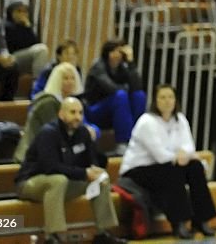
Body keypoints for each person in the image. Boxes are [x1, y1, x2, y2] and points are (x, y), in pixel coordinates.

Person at [15, 97, 124, 244]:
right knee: (58, 180)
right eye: (73, 112)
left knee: (101, 179)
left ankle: (102, 233)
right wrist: (84, 173)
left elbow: (92, 160)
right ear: (61, 114)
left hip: (63, 185)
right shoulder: (48, 133)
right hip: (30, 183)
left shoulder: (83, 133)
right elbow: (51, 167)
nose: (77, 117)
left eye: (80, 113)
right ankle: (53, 236)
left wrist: (95, 169)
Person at [120, 84, 216, 239]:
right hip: (138, 170)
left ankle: (201, 220)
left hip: (167, 165)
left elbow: (189, 146)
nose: (167, 101)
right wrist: (179, 157)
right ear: (155, 101)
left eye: (170, 97)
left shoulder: (180, 119)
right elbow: (159, 155)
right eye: (162, 97)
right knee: (172, 171)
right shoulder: (146, 122)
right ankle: (179, 223)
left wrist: (185, 155)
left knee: (196, 167)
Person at [14, 63, 94, 163]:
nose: (70, 82)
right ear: (57, 80)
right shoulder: (48, 103)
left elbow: (83, 125)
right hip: (33, 157)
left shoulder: (72, 102)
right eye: (65, 78)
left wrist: (91, 131)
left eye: (73, 78)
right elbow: (57, 134)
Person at [84, 40, 146, 155]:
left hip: (117, 111)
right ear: (107, 53)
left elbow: (137, 87)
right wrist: (126, 88)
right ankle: (123, 142)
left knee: (139, 96)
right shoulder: (98, 66)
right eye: (113, 51)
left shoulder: (123, 67)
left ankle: (137, 139)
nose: (116, 55)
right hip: (95, 111)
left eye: (119, 52)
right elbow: (111, 88)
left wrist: (131, 63)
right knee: (121, 96)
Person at [3, 0, 50, 76]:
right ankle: (38, 85)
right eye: (19, 11)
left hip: (23, 58)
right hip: (10, 57)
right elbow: (18, 45)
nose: (22, 14)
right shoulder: (6, 26)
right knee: (41, 50)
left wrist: (28, 27)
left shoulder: (25, 26)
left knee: (43, 52)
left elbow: (35, 44)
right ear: (11, 12)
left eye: (25, 11)